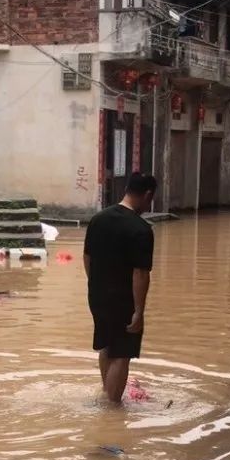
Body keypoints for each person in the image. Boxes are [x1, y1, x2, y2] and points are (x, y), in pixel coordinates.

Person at [83, 173, 156, 404]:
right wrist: (139, 311)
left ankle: (107, 394)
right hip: (123, 299)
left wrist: (96, 285)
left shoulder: (98, 219)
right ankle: (112, 408)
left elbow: (87, 257)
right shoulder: (141, 229)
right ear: (147, 195)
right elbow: (140, 273)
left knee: (106, 346)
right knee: (121, 354)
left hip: (97, 295)